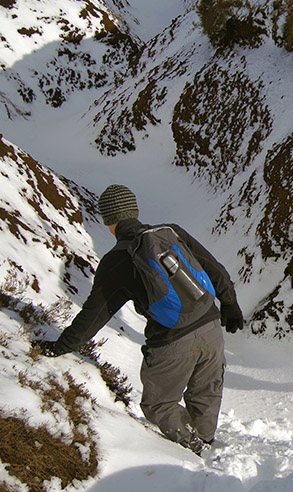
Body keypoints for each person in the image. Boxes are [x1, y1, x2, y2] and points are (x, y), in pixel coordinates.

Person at [33, 185, 244, 455]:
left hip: (173, 339)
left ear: (109, 221)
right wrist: (229, 305)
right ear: (134, 211)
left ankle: (194, 449)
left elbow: (93, 316)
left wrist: (60, 347)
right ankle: (205, 438)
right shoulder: (171, 232)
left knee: (159, 404)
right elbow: (215, 269)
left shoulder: (117, 260)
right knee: (206, 391)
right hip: (210, 326)